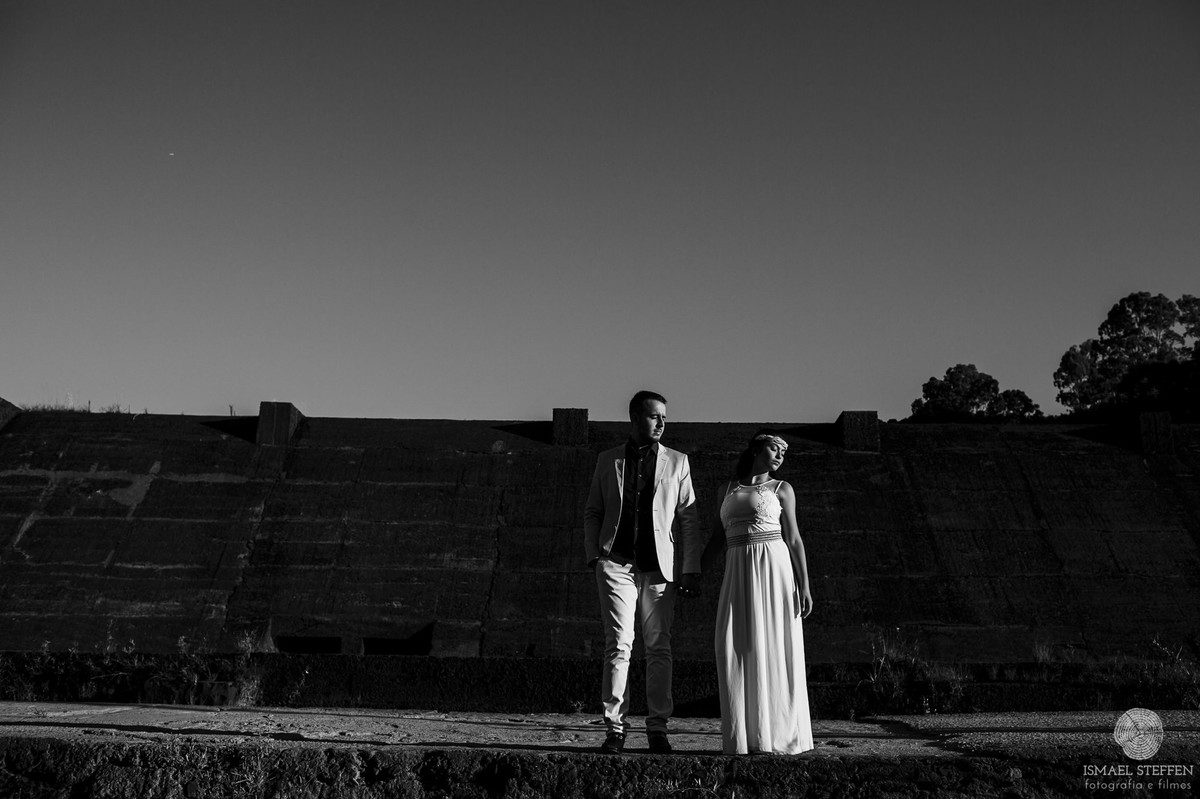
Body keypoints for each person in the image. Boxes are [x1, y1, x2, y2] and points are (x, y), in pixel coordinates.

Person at [584, 390, 702, 755]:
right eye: (654, 416)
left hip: (659, 570)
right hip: (616, 563)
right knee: (619, 644)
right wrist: (595, 557)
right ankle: (615, 729)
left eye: (665, 417)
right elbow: (593, 511)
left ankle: (657, 729)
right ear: (635, 418)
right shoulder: (608, 460)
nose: (662, 423)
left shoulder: (678, 462)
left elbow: (688, 519)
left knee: (658, 647)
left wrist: (690, 569)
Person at [703, 429, 814, 755]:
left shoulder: (782, 489)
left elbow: (794, 538)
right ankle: (746, 735)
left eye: (784, 452)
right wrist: (693, 574)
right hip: (738, 572)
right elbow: (715, 540)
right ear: (755, 449)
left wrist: (804, 584)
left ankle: (778, 736)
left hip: (774, 570)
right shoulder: (727, 489)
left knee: (773, 645)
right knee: (733, 646)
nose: (780, 455)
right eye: (774, 448)